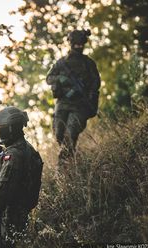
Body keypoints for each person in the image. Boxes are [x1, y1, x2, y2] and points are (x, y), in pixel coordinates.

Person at [0, 106, 43, 248]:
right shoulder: (25, 148)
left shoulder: (13, 156)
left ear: (12, 129)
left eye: (3, 128)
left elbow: (1, 194)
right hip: (15, 216)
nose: (0, 132)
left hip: (7, 219)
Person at [46, 29, 101, 165]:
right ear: (71, 44)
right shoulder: (61, 63)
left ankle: (64, 165)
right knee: (59, 132)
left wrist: (89, 95)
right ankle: (73, 159)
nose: (79, 47)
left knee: (70, 133)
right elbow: (49, 78)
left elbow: (96, 84)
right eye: (76, 44)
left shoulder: (88, 63)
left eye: (81, 44)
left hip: (80, 106)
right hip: (63, 103)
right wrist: (61, 79)